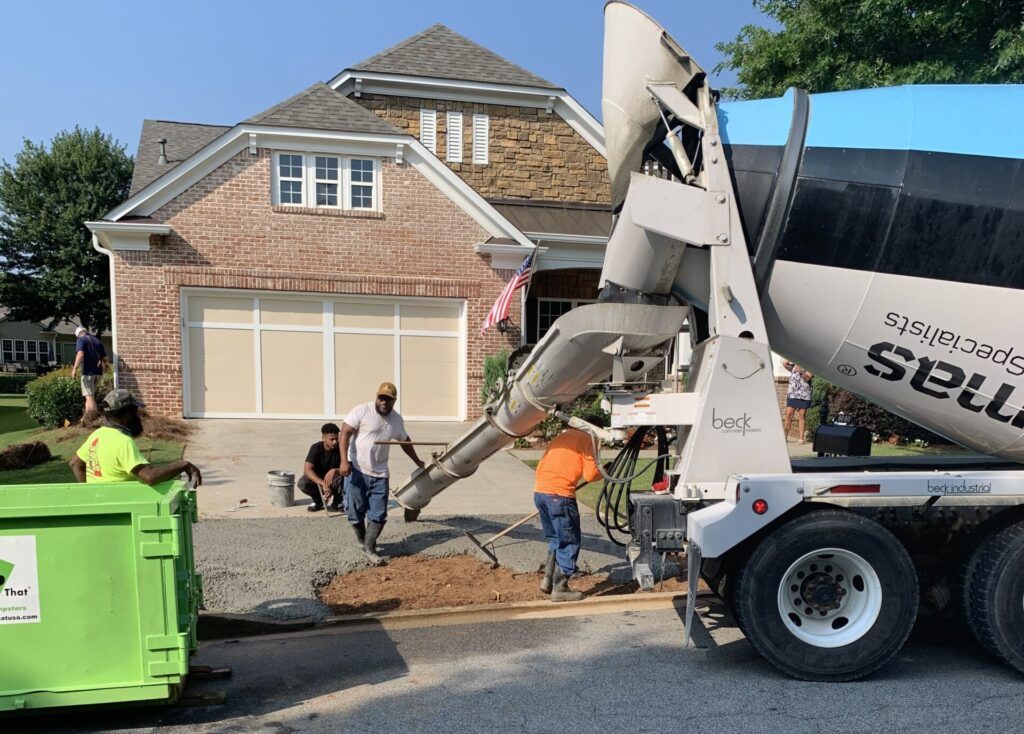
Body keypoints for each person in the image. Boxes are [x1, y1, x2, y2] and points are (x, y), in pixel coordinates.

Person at [339, 382, 425, 565]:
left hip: (380, 474)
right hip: (356, 469)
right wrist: (344, 461)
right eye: (381, 398)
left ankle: (369, 547)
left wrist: (417, 461)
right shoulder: (362, 411)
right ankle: (364, 541)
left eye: (388, 399)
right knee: (354, 511)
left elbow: (405, 441)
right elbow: (345, 432)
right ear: (376, 397)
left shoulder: (396, 420)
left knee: (378, 514)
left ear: (394, 401)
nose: (384, 402)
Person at [534, 415, 605, 602]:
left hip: (540, 493)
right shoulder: (589, 439)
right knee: (569, 541)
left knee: (555, 538)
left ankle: (548, 579)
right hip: (560, 496)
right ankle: (560, 588)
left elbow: (541, 465)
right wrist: (605, 471)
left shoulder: (563, 436)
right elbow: (591, 475)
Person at [69, 389, 202, 486]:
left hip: (100, 507)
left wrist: (90, 493)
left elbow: (75, 463)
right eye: (136, 412)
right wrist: (183, 465)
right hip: (122, 510)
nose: (139, 417)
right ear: (127, 413)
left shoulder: (97, 434)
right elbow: (149, 476)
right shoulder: (123, 442)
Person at [298, 423, 343, 513]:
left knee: (347, 477)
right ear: (323, 438)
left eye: (336, 439)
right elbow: (307, 470)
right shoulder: (316, 448)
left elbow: (349, 467)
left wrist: (335, 470)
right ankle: (319, 501)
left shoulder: (341, 448)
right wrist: (324, 484)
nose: (335, 442)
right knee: (303, 482)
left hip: (335, 480)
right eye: (331, 439)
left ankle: (338, 502)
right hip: (320, 481)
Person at [70, 326, 108, 418]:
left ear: (78, 334)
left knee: (89, 397)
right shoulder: (98, 341)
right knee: (90, 397)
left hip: (88, 373)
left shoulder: (81, 340)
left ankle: (93, 419)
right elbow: (105, 359)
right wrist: (104, 366)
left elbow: (80, 354)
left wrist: (74, 368)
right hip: (98, 373)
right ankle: (88, 418)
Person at [783, 360, 814, 444]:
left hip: (804, 394)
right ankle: (785, 437)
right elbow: (784, 363)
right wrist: (790, 358)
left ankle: (801, 438)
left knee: (802, 415)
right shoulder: (794, 366)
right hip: (793, 393)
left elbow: (807, 378)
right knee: (789, 414)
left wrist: (800, 371)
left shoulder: (811, 366)